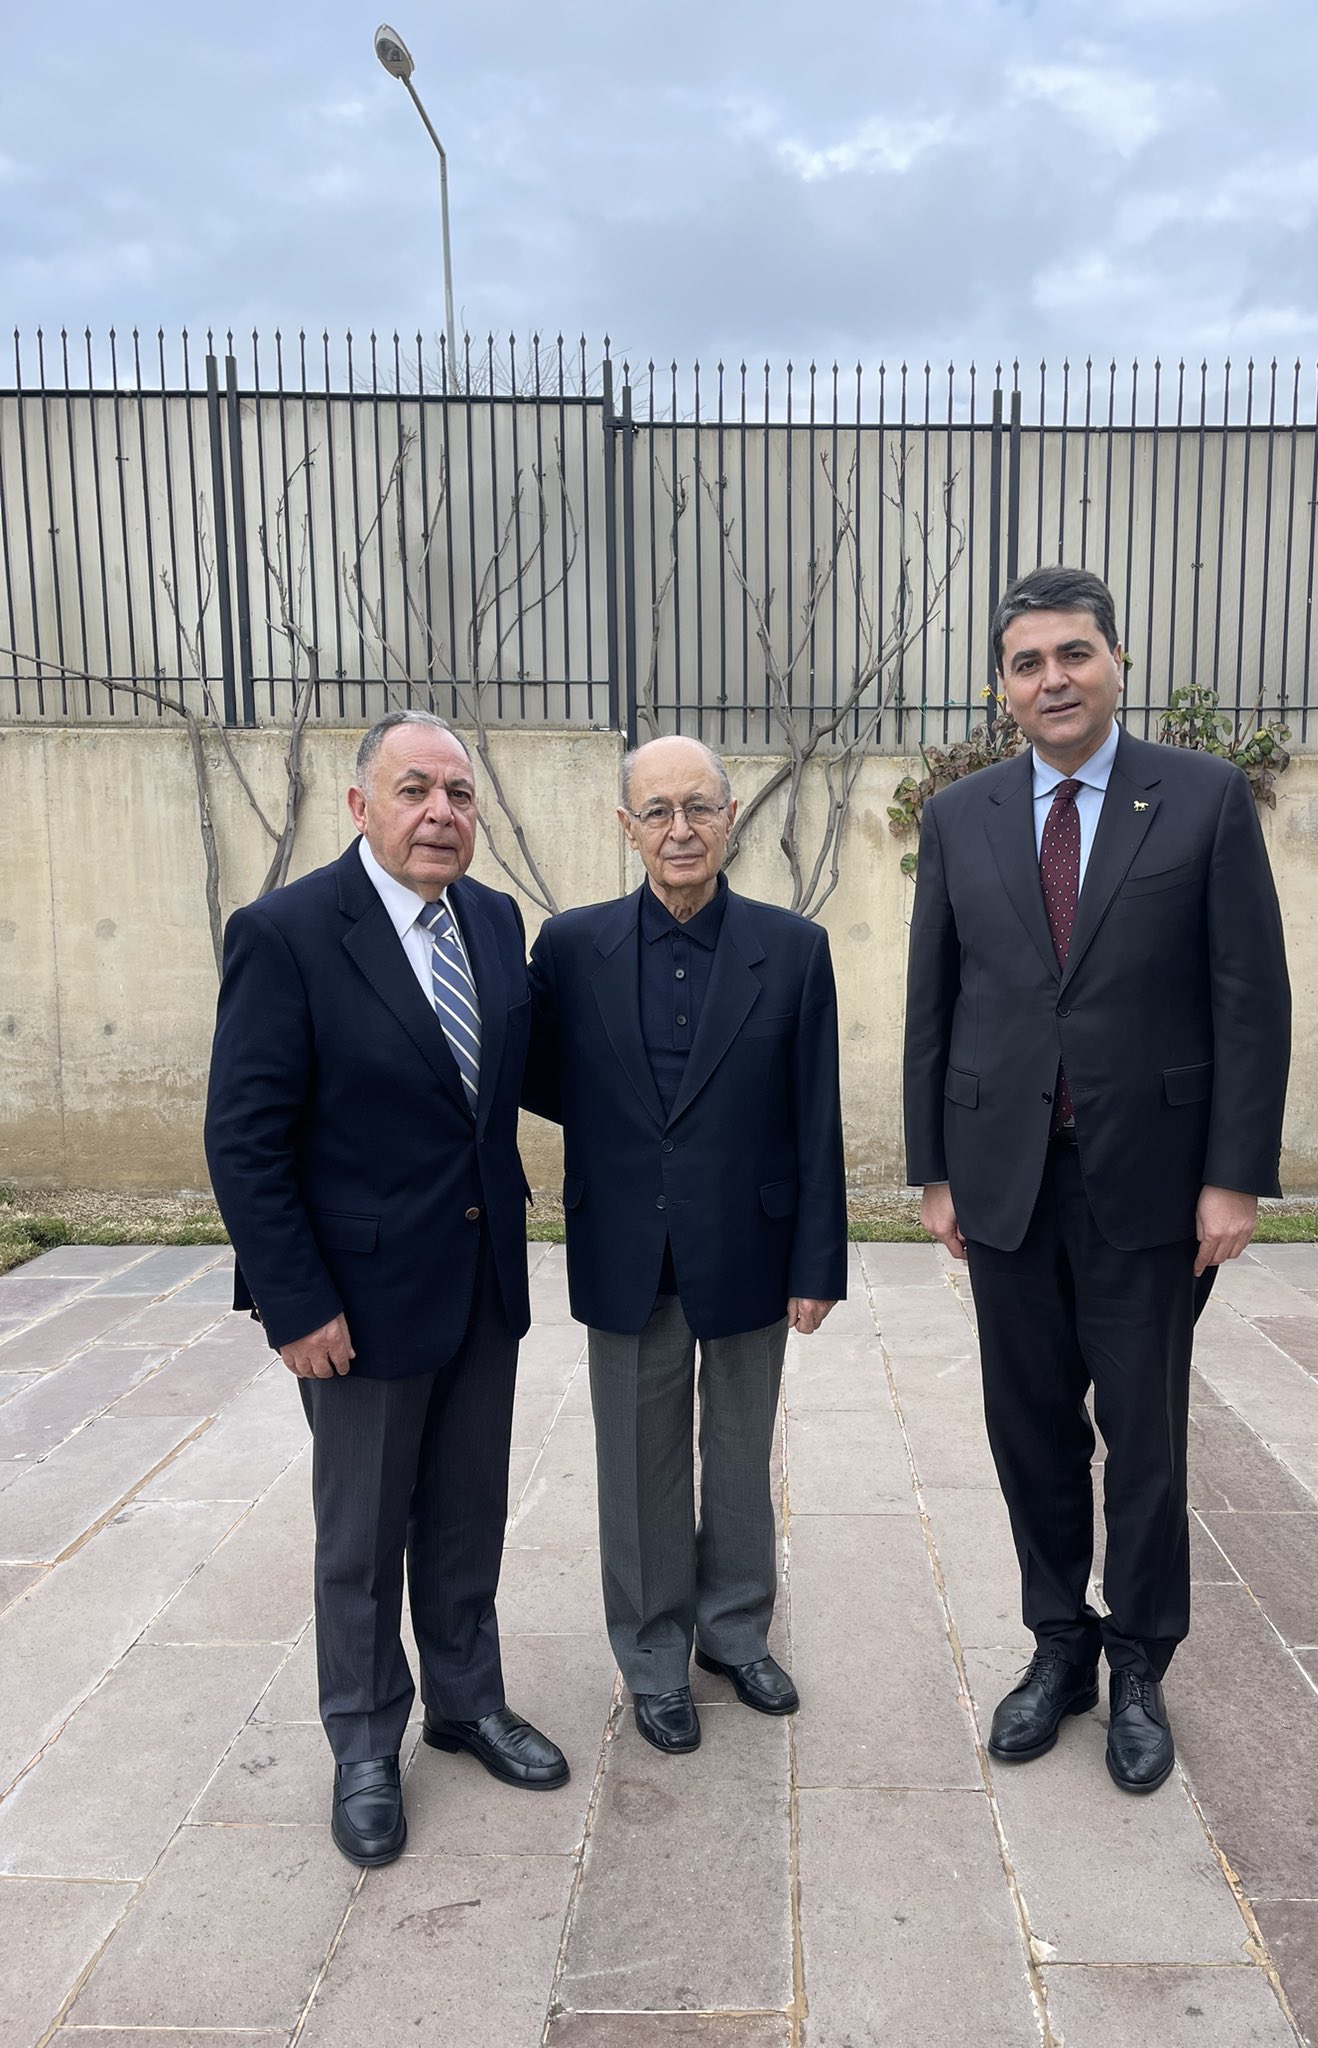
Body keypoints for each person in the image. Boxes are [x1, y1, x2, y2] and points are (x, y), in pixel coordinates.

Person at [903, 566, 1290, 1793]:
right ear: (1002, 685)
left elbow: (1251, 998)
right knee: (1025, 1428)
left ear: (1116, 661)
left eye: (1073, 654)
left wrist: (1233, 1176)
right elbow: (934, 1002)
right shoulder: (961, 817)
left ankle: (1139, 1663)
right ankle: (1057, 1645)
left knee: (1145, 1436)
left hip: (1152, 1186)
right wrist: (933, 1170)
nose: (1052, 679)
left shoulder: (1206, 798)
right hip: (1005, 1177)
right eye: (1027, 662)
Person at [204, 708, 567, 1869]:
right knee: (361, 1534)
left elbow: (516, 1083)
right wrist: (295, 1299)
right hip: (354, 1302)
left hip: (479, 1282)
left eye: (459, 795)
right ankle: (365, 1740)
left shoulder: (495, 920)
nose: (441, 814)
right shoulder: (288, 932)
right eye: (415, 790)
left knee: (467, 1511)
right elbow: (245, 1138)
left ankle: (466, 1700)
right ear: (360, 805)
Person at [525, 735, 846, 1754]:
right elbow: (537, 1077)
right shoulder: (570, 948)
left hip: (749, 1240)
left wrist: (817, 1261)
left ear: (731, 814)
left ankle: (735, 1630)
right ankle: (655, 1654)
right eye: (656, 810)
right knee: (637, 1465)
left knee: (744, 1451)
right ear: (626, 827)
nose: (679, 829)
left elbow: (815, 1113)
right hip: (625, 1243)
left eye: (698, 806)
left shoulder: (792, 948)